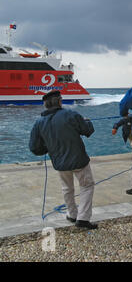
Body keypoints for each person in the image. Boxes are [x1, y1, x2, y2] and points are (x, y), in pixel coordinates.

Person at [29, 90, 98, 230]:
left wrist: (48, 148)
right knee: (87, 186)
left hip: (59, 163)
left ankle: (72, 214)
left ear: (46, 105)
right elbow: (88, 131)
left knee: (67, 188)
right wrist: (88, 122)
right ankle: (83, 219)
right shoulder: (71, 115)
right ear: (59, 101)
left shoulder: (39, 123)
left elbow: (34, 148)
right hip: (78, 160)